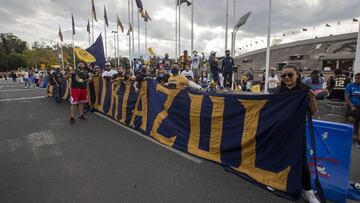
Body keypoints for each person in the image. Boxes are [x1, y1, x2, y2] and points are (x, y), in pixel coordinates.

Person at [273, 64, 319, 203]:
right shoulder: (278, 90)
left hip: (297, 130)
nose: (286, 78)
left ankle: (307, 190)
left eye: (290, 75)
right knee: (279, 156)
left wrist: (312, 99)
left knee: (302, 160)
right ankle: (277, 183)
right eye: (283, 75)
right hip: (280, 130)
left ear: (297, 74)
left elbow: (313, 112)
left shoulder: (305, 90)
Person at [345, 73, 360, 148]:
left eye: (359, 78)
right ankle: (347, 139)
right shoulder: (349, 86)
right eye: (356, 78)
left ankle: (358, 141)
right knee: (351, 120)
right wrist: (351, 106)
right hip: (352, 106)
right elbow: (346, 97)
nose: (357, 79)